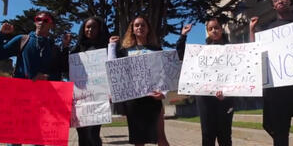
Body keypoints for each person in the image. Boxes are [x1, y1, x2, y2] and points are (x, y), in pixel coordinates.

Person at [249, 0, 293, 146]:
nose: (280, 1)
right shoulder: (268, 30)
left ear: (290, 0)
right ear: (273, 6)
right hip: (279, 93)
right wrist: (252, 31)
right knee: (280, 135)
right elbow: (255, 53)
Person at [0, 11, 70, 146]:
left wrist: (47, 77)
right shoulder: (22, 39)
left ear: (51, 25)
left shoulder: (53, 48)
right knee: (14, 139)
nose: (41, 22)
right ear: (34, 21)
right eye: (38, 19)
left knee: (38, 141)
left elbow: (59, 71)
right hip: (19, 96)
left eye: (45, 20)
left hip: (42, 99)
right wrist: (2, 34)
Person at [108, 16, 169, 146]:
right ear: (132, 30)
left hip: (153, 98)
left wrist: (164, 93)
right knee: (138, 140)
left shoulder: (156, 49)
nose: (140, 27)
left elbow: (164, 74)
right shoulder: (124, 51)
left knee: (161, 138)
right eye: (136, 25)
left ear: (148, 29)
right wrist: (112, 46)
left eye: (143, 25)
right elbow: (113, 67)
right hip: (134, 101)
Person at [176, 18, 234, 146]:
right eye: (210, 29)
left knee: (225, 136)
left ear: (221, 29)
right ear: (208, 32)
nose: (214, 30)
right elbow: (181, 55)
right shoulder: (200, 51)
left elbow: (238, 74)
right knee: (207, 136)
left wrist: (228, 92)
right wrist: (183, 36)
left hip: (226, 99)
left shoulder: (233, 50)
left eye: (216, 27)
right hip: (205, 99)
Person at [70, 16, 110, 146]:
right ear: (83, 29)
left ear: (100, 29)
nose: (90, 29)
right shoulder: (77, 49)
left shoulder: (107, 48)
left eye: (94, 27)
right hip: (80, 99)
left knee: (93, 133)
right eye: (88, 27)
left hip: (98, 98)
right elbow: (67, 69)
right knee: (81, 133)